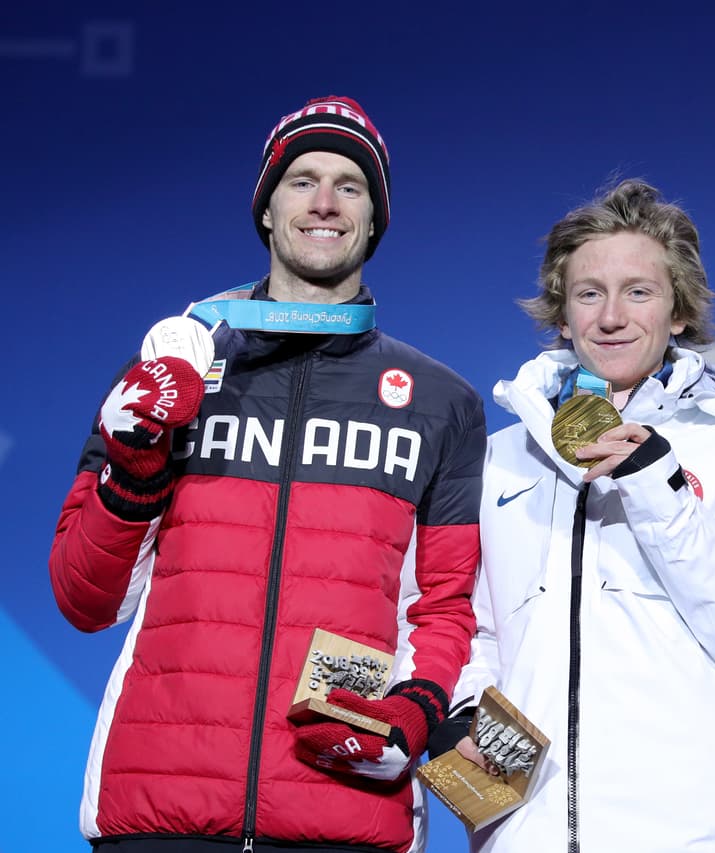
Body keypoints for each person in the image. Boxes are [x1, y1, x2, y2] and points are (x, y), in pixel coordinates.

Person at [49, 96, 486, 853]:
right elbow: (85, 599)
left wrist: (416, 703)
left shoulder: (440, 402)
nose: (324, 202)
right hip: (162, 810)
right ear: (266, 209)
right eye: (302, 180)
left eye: (350, 185)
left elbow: (445, 604)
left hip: (344, 816)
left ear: (375, 219)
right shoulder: (169, 370)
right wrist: (137, 464)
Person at [433, 179, 715, 852]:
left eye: (639, 292)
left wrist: (659, 486)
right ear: (562, 316)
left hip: (690, 836)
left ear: (678, 312)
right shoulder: (502, 457)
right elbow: (474, 628)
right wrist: (469, 714)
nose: (611, 316)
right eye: (589, 293)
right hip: (527, 835)